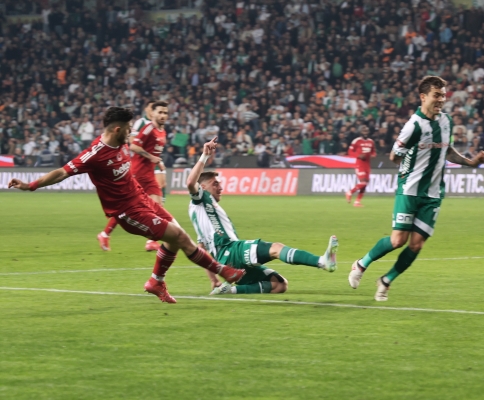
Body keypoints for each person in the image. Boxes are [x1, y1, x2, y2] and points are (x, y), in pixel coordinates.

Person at [8, 107, 245, 304]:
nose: (132, 133)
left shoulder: (121, 142)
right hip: (128, 211)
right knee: (180, 237)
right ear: (117, 129)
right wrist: (31, 185)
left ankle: (156, 282)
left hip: (141, 198)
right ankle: (223, 271)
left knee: (175, 236)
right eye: (129, 129)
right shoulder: (95, 154)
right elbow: (62, 172)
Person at [347, 76, 484, 301]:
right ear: (423, 97)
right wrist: (409, 163)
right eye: (436, 95)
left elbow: (447, 150)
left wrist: (470, 162)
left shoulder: (446, 121)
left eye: (443, 95)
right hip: (410, 190)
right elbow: (394, 156)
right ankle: (361, 264)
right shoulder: (413, 126)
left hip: (433, 194)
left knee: (417, 244)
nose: (441, 100)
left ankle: (386, 280)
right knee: (397, 240)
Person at [187, 140, 338, 295]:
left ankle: (230, 290)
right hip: (231, 251)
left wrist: (213, 279)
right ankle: (322, 262)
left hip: (226, 262)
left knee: (279, 284)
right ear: (202, 187)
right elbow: (191, 182)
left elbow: (201, 248)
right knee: (276, 249)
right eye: (215, 184)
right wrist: (204, 156)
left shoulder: (199, 212)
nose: (220, 187)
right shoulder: (201, 198)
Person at [98, 101, 167, 252]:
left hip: (148, 173)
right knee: (135, 207)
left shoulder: (162, 131)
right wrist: (151, 158)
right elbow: (134, 145)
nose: (162, 115)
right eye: (159, 112)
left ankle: (106, 234)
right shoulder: (147, 127)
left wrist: (158, 162)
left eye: (165, 113)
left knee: (155, 205)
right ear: (152, 113)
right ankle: (106, 234)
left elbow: (154, 153)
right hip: (139, 172)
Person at [345, 125, 376, 207]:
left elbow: (373, 151)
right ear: (360, 132)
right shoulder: (356, 141)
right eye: (364, 131)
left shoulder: (371, 142)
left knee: (365, 184)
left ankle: (357, 202)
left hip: (367, 165)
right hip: (360, 164)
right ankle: (350, 192)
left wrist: (373, 155)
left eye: (367, 131)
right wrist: (358, 156)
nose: (365, 132)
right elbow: (350, 152)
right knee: (363, 182)